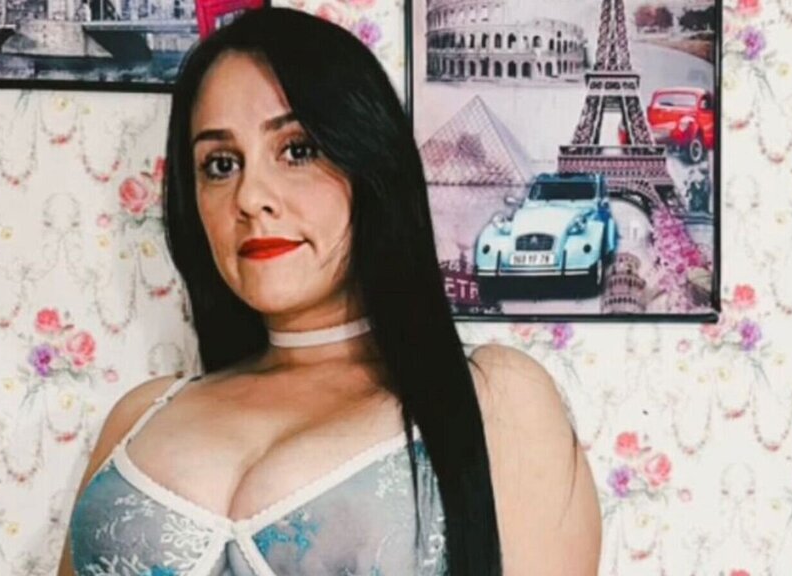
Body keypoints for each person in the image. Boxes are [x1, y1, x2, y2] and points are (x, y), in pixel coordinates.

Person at [58, 8, 600, 575]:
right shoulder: (137, 418)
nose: (250, 197)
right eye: (220, 164)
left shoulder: (495, 399)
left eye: (298, 150)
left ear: (371, 163)